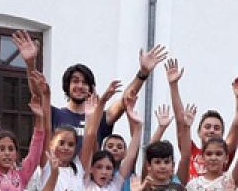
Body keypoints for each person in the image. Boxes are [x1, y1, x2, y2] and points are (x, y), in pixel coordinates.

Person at [10, 30, 167, 151]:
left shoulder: (100, 117)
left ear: (91, 88)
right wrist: (30, 63)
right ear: (67, 86)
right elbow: (37, 95)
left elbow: (125, 100)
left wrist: (143, 73)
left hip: (90, 180)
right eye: (75, 81)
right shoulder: (55, 114)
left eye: (85, 83)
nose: (80, 86)